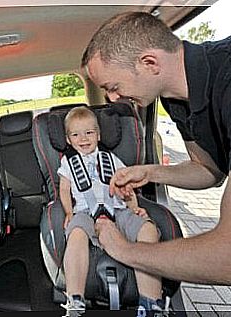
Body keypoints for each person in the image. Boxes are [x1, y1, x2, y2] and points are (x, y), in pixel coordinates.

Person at [81, 11, 231, 293]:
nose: (112, 99)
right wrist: (149, 172)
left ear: (149, 63)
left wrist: (124, 249)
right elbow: (209, 171)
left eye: (113, 87)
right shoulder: (175, 99)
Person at [58, 106, 165, 317]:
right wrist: (69, 212)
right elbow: (64, 189)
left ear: (98, 135)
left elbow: (126, 186)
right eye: (76, 134)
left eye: (89, 132)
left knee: (148, 230)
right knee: (76, 234)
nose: (84, 138)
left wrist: (134, 207)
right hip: (85, 212)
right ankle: (75, 299)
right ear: (69, 140)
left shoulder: (111, 158)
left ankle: (151, 302)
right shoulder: (67, 163)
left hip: (118, 209)